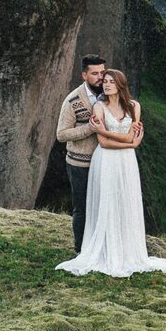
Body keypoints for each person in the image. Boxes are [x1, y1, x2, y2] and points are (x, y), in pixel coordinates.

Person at [55, 69, 166, 277]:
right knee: (107, 201)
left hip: (126, 162)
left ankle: (127, 249)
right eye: (105, 82)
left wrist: (107, 132)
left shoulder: (134, 107)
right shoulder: (99, 107)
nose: (107, 85)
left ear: (120, 84)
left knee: (126, 200)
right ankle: (106, 248)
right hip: (106, 160)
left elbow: (127, 138)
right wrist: (126, 141)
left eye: (111, 81)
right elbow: (107, 142)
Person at [55, 54, 111, 253]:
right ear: (84, 75)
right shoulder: (72, 101)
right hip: (81, 164)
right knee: (82, 208)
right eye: (94, 73)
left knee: (104, 206)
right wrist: (89, 129)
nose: (100, 77)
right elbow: (61, 135)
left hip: (106, 161)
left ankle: (101, 247)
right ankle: (80, 250)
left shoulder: (110, 95)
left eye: (102, 72)